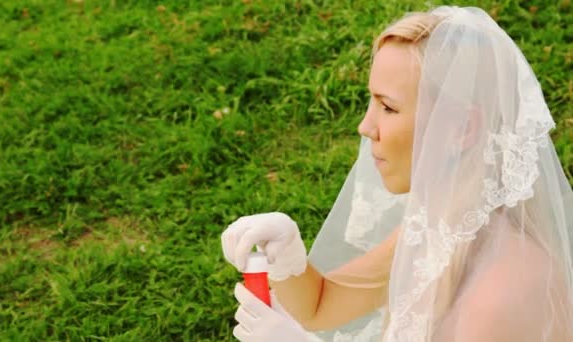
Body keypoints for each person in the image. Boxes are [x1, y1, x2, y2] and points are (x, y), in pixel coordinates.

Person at [221, 6, 573, 341]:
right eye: (372, 102)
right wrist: (288, 260)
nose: (365, 126)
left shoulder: (501, 289)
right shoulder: (445, 226)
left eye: (388, 107)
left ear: (462, 129)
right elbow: (322, 305)